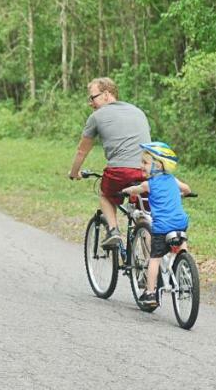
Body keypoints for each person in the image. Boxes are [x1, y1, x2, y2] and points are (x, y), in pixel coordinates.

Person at [67, 77, 151, 249]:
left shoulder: (96, 116)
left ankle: (113, 231)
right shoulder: (138, 111)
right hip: (147, 173)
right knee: (144, 215)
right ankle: (149, 267)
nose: (90, 103)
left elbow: (82, 151)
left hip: (120, 172)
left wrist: (74, 173)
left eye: (92, 97)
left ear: (106, 94)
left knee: (105, 194)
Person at [121, 142, 191, 311]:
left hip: (162, 227)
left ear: (158, 165)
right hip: (181, 222)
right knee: (180, 243)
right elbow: (187, 189)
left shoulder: (149, 185)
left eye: (145, 163)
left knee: (155, 258)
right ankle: (186, 268)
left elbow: (135, 190)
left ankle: (151, 293)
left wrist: (125, 191)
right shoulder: (173, 180)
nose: (141, 166)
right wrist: (182, 193)